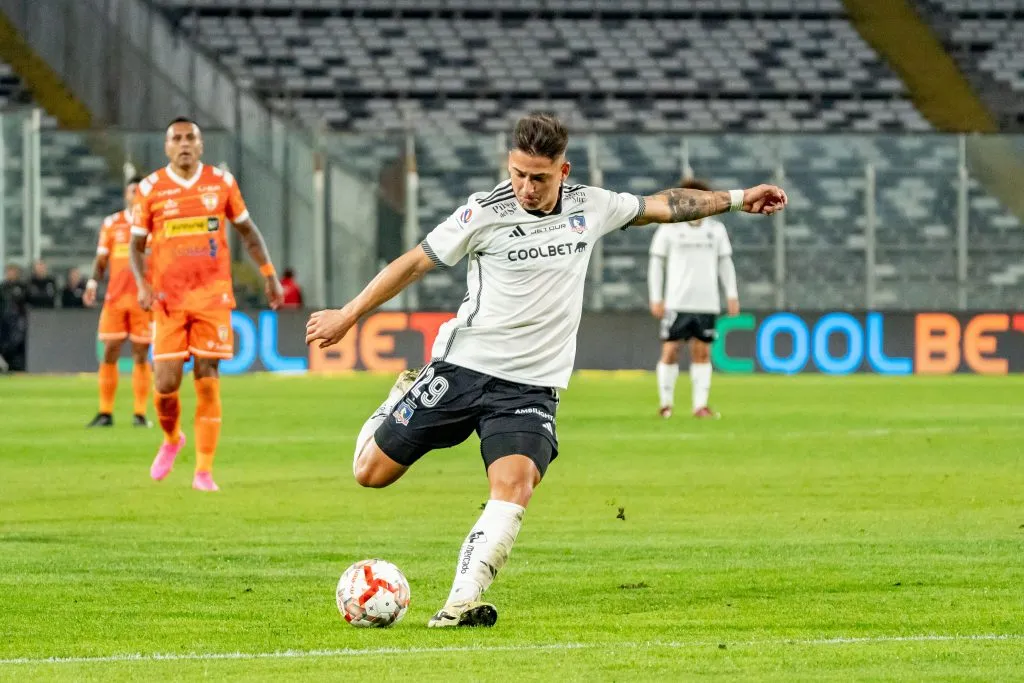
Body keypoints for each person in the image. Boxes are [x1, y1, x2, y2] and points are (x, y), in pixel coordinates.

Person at [305, 113, 787, 627]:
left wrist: (738, 198)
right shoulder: (482, 214)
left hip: (530, 385)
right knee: (370, 474)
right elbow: (414, 262)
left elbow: (666, 205)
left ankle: (459, 602)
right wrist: (349, 315)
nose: (526, 188)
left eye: (538, 177)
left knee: (515, 485)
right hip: (464, 366)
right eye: (517, 174)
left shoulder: (591, 205)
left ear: (564, 170)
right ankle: (401, 394)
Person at [130, 117, 283, 492]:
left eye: (190, 138)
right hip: (168, 300)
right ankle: (171, 439)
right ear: (167, 147)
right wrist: (143, 285)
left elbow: (248, 232)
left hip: (213, 296)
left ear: (201, 145)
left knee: (207, 375)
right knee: (165, 384)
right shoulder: (150, 188)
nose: (184, 144)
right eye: (176, 138)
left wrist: (269, 274)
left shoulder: (222, 183)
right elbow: (135, 246)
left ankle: (203, 471)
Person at [648, 177, 739, 419]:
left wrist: (732, 294)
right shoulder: (669, 227)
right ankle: (666, 404)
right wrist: (656, 297)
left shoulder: (716, 230)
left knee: (702, 353)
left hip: (707, 302)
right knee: (670, 350)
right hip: (677, 302)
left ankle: (700, 406)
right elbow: (656, 263)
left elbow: (725, 263)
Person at [84, 176, 154, 428]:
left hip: (142, 299)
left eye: (139, 190)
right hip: (115, 298)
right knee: (110, 351)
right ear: (126, 194)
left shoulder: (153, 224)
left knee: (141, 354)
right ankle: (105, 412)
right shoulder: (112, 223)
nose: (135, 194)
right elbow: (102, 258)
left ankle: (139, 414)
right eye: (131, 190)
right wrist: (92, 283)